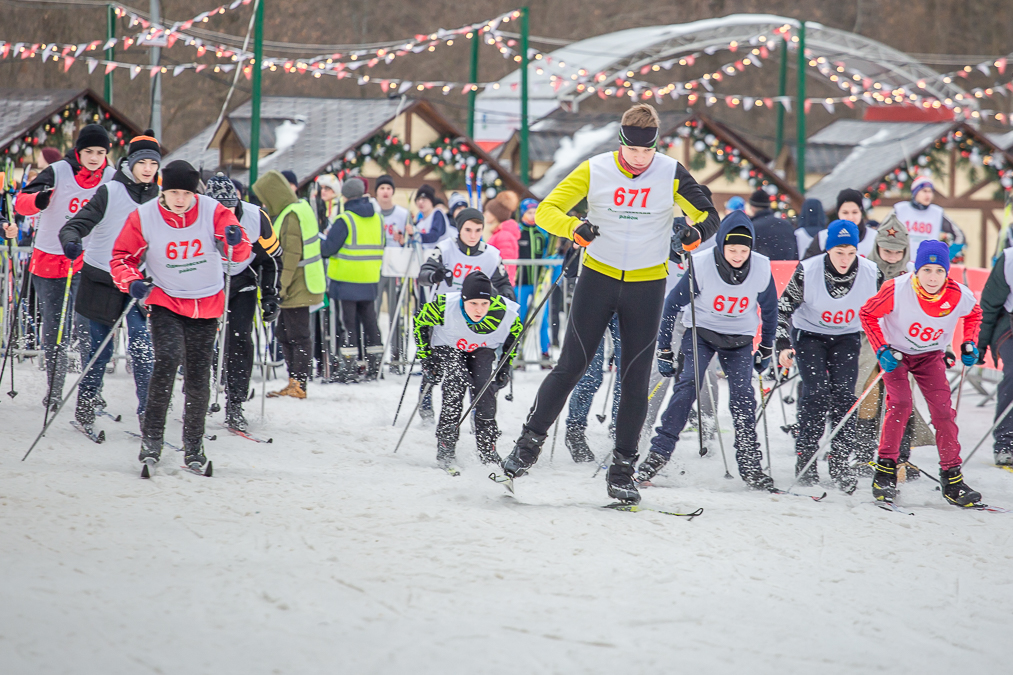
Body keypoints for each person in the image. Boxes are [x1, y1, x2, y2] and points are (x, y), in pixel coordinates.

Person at [500, 103, 719, 504]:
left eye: (646, 152)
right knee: (571, 366)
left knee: (634, 379)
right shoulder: (595, 168)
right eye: (633, 151)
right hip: (598, 278)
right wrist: (574, 227)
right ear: (621, 143)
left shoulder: (670, 171)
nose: (639, 160)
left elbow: (710, 215)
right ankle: (525, 449)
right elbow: (546, 210)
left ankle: (622, 471)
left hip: (646, 284)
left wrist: (694, 233)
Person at [110, 160, 251, 472]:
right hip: (166, 301)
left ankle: (194, 445)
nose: (179, 199)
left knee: (200, 376)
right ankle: (152, 439)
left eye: (185, 194)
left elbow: (239, 251)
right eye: (173, 192)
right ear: (163, 190)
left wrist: (235, 240)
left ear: (195, 193)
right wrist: (131, 281)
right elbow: (121, 256)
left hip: (205, 303)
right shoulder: (145, 216)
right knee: (168, 359)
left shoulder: (213, 210)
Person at [639, 212, 777, 489]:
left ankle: (750, 464)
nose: (738, 256)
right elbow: (671, 306)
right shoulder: (701, 265)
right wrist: (664, 349)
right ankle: (657, 455)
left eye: (743, 250)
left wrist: (766, 347)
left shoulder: (761, 267)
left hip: (739, 339)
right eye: (732, 249)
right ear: (721, 246)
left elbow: (770, 309)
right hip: (701, 332)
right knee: (688, 384)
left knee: (742, 396)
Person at [860, 240, 983, 507]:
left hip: (930, 356)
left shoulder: (958, 294)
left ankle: (952, 478)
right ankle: (885, 471)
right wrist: (881, 348)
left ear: (947, 273)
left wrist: (969, 342)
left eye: (939, 271)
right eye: (926, 270)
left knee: (943, 412)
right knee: (901, 404)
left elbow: (974, 314)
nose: (933, 277)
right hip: (897, 355)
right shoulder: (897, 289)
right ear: (916, 270)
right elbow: (868, 313)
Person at [59, 130, 160, 433]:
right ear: (130, 162)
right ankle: (86, 407)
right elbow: (75, 224)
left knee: (143, 350)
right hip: (102, 278)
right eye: (142, 162)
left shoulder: (161, 198)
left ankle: (148, 416)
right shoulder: (110, 191)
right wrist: (72, 241)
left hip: (138, 285)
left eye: (153, 164)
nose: (147, 169)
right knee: (99, 352)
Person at [776, 220, 883, 492]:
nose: (845, 259)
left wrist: (890, 345)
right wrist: (782, 345)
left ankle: (839, 462)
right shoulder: (808, 270)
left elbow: (888, 313)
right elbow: (783, 309)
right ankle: (806, 459)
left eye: (851, 253)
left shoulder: (872, 273)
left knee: (846, 396)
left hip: (847, 337)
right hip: (809, 335)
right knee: (816, 393)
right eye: (839, 253)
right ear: (827, 251)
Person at [15, 123, 115, 411]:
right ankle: (55, 390)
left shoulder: (111, 178)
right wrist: (39, 200)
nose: (94, 157)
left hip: (90, 261)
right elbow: (22, 202)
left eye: (100, 152)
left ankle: (90, 391)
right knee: (55, 330)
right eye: (88, 151)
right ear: (78, 151)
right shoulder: (57, 171)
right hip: (50, 259)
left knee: (89, 330)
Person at [852, 214, 935, 477]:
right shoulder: (863, 269)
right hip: (868, 336)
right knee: (869, 387)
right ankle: (865, 453)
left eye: (897, 251)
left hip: (903, 339)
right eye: (886, 250)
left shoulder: (913, 274)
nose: (891, 255)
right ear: (877, 247)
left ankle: (900, 456)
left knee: (900, 396)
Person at [413, 272, 522, 470]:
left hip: (481, 348)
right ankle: (446, 447)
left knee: (484, 390)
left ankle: (487, 449)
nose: (479, 309)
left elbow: (515, 335)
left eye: (484, 303)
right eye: (473, 303)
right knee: (456, 383)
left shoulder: (503, 311)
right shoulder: (445, 305)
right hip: (449, 346)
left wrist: (505, 367)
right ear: (463, 299)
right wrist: (427, 359)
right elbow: (419, 322)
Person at [204, 173, 282, 430]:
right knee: (202, 338)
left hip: (243, 279)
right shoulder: (198, 215)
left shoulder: (256, 218)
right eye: (219, 208)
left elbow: (272, 260)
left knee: (239, 337)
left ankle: (235, 403)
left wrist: (270, 296)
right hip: (207, 282)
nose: (226, 213)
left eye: (230, 206)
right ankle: (200, 395)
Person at [253, 170, 326, 399]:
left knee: (297, 334)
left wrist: (279, 288)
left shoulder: (291, 215)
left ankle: (299, 383)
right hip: (295, 283)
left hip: (297, 285)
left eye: (266, 197)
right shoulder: (290, 211)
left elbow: (291, 256)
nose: (264, 203)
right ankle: (294, 381)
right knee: (285, 334)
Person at [320, 177, 385, 381]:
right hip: (370, 278)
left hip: (345, 279)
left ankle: (348, 368)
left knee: (347, 324)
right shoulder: (378, 219)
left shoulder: (345, 219)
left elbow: (328, 249)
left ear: (346, 196)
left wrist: (321, 240)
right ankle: (375, 366)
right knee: (370, 321)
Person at [974, 238, 1013, 466]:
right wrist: (979, 345)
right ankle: (1006, 443)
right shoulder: (1008, 260)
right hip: (1008, 326)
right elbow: (988, 306)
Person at [418, 207, 514, 299]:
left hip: (477, 312)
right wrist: (434, 276)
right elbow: (422, 276)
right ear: (459, 229)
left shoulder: (492, 255)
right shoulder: (445, 248)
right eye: (468, 230)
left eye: (478, 230)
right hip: (445, 309)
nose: (473, 236)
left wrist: (507, 295)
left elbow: (503, 285)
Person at [375, 174, 415, 369]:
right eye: (381, 188)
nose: (385, 191)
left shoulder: (401, 214)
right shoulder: (372, 212)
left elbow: (410, 240)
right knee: (372, 313)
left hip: (395, 268)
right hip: (374, 268)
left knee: (395, 314)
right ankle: (373, 357)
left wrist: (404, 239)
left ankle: (396, 359)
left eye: (388, 188)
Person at [516, 197, 553, 363]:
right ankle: (517, 352)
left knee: (542, 319)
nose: (532, 216)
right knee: (520, 318)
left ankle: (545, 352)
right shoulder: (517, 231)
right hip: (521, 283)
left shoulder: (542, 233)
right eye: (529, 212)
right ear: (522, 213)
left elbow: (550, 254)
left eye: (535, 212)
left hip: (539, 283)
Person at [891, 177, 964, 260]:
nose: (928, 195)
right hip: (902, 266)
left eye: (930, 191)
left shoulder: (937, 213)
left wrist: (945, 258)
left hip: (926, 266)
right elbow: (881, 232)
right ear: (915, 192)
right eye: (924, 191)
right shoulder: (900, 209)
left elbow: (960, 236)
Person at [803, 189, 877, 259]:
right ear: (838, 213)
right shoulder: (823, 237)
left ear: (861, 213)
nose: (850, 217)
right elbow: (807, 266)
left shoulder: (874, 237)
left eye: (855, 212)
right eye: (845, 212)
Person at [746, 188, 797, 261]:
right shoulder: (787, 225)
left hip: (764, 269)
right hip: (788, 269)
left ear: (753, 207)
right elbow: (795, 253)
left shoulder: (753, 227)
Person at [483, 191, 521, 285]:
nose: (485, 214)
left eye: (488, 211)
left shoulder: (504, 235)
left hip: (500, 284)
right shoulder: (498, 233)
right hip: (495, 282)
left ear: (496, 215)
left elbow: (506, 262)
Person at [413, 184, 452, 248]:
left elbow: (434, 236)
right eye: (418, 199)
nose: (420, 202)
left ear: (431, 201)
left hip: (441, 255)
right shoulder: (419, 223)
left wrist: (415, 236)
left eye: (424, 199)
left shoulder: (437, 214)